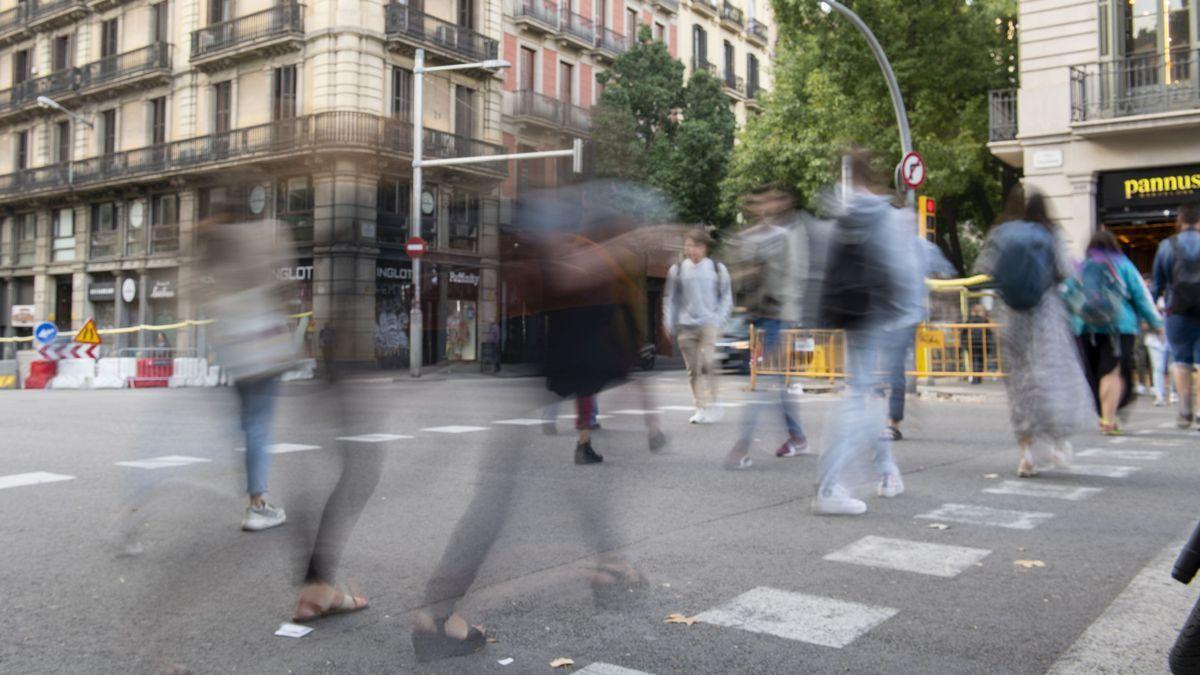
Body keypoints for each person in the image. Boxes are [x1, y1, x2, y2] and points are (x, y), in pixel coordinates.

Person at [812, 151, 919, 515]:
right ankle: (830, 486)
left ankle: (887, 471)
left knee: (866, 394)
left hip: (851, 315)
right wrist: (907, 312)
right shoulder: (881, 214)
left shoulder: (842, 213)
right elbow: (899, 270)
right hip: (879, 316)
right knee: (862, 399)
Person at [977, 188, 1093, 477]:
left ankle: (1026, 454)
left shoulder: (1001, 233)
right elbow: (1066, 271)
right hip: (1046, 314)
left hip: (1012, 316)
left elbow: (985, 271)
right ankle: (1057, 443)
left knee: (1020, 384)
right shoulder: (1048, 232)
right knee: (1053, 377)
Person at [196, 214, 297, 531]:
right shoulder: (264, 234)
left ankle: (254, 497)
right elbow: (283, 285)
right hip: (262, 344)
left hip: (233, 347)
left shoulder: (216, 247)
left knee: (247, 422)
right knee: (258, 425)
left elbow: (199, 291)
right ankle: (256, 505)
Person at [723, 185, 811, 469]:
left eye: (768, 201)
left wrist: (787, 308)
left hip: (778, 315)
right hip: (756, 314)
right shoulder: (748, 237)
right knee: (776, 383)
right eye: (757, 202)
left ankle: (742, 446)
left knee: (761, 379)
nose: (762, 207)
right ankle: (797, 435)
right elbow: (735, 271)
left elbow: (795, 277)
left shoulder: (787, 236)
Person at [1070, 230, 1162, 435]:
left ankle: (1104, 414)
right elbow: (1141, 295)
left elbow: (1067, 294)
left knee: (1094, 374)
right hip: (1119, 326)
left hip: (1086, 327)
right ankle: (1109, 420)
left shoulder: (1082, 266)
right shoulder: (1123, 264)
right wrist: (1155, 322)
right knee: (1111, 372)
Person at [663, 229, 733, 424]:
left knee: (709, 362)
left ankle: (714, 401)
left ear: (703, 247)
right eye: (687, 246)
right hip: (686, 326)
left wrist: (718, 320)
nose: (689, 250)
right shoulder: (677, 270)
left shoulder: (717, 269)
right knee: (693, 370)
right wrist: (667, 323)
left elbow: (727, 297)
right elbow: (671, 299)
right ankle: (700, 407)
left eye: (693, 246)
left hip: (709, 324)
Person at [1152, 202, 1200, 428]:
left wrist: (1150, 313)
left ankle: (1184, 410)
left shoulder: (1166, 246)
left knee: (1180, 361)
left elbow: (1157, 284)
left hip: (1176, 311)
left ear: (1180, 222)